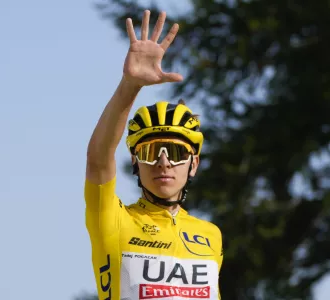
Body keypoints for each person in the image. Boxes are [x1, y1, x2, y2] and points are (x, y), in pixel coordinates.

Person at [84, 9, 223, 300]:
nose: (163, 162)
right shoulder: (113, 219)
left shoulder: (211, 236)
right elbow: (98, 160)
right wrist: (130, 85)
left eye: (174, 151)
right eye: (149, 152)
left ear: (193, 163)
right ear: (135, 162)